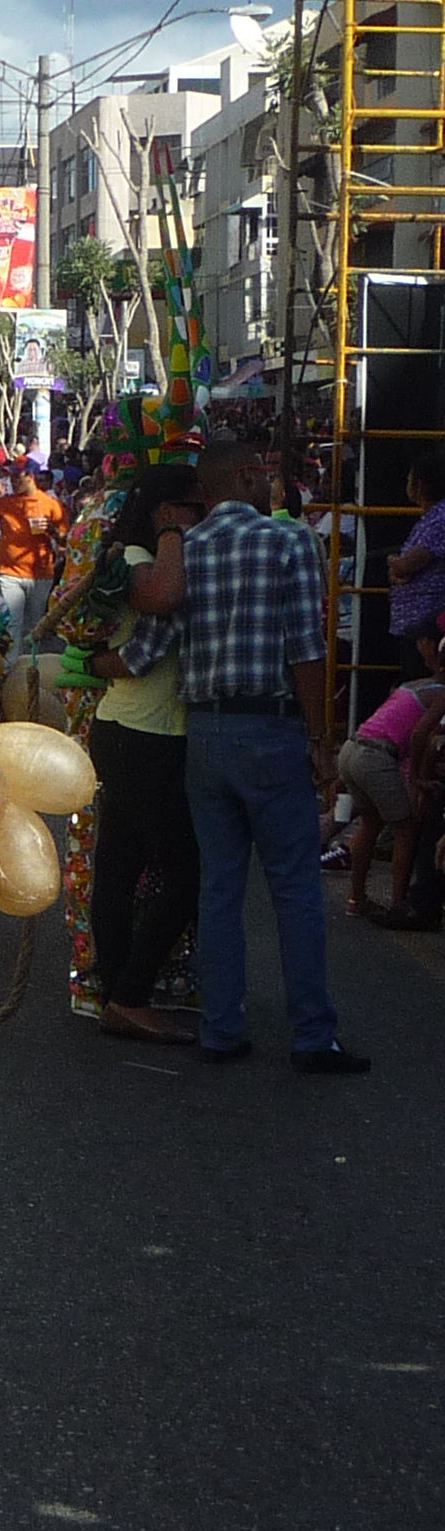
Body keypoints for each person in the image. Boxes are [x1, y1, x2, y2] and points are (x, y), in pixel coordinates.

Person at [117, 441, 368, 1073]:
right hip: (272, 729)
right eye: (269, 473)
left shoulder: (190, 551)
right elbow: (306, 648)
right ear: (249, 476)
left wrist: (80, 659)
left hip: (205, 735)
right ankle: (313, 1036)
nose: (275, 484)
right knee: (295, 888)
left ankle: (223, 1030)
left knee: (219, 888)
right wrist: (321, 738)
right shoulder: (290, 544)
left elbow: (146, 649)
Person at [86, 465, 204, 1046]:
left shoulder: (138, 553)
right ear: (166, 510)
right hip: (146, 735)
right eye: (190, 506)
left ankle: (116, 993)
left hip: (126, 730)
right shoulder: (143, 558)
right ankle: (128, 995)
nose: (200, 515)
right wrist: (172, 537)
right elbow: (161, 606)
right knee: (186, 873)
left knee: (120, 866)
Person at [337, 673, 445, 923]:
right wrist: (417, 779)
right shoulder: (442, 694)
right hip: (377, 756)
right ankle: (399, 906)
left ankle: (357, 899)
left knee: (370, 824)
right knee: (405, 829)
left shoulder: (414, 685)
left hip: (353, 748)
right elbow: (420, 736)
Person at [0, 465, 67, 642]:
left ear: (30, 477)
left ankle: (30, 665)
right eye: (11, 477)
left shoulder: (51, 504)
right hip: (8, 571)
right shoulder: (4, 501)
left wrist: (52, 530)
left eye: (17, 477)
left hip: (40, 574)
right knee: (12, 622)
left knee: (35, 626)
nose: (13, 481)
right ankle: (10, 666)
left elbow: (66, 541)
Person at [387, 449, 445, 681]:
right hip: (415, 623)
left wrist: (395, 563)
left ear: (419, 484)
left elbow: (408, 564)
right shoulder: (429, 519)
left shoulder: (440, 519)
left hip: (427, 623)